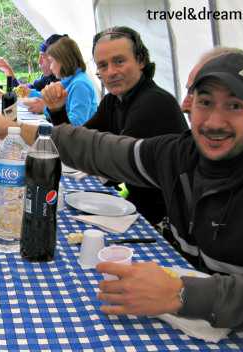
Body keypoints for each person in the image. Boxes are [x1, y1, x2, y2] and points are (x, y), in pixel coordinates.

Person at [0, 52, 243, 332]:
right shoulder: (179, 154)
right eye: (206, 102)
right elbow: (100, 149)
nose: (216, 122)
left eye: (234, 106)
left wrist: (183, 293)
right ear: (189, 104)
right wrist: (14, 128)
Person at [45, 26, 189, 225]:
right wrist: (57, 110)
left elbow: (115, 169)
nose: (111, 72)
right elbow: (79, 142)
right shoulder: (114, 100)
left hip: (166, 219)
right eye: (102, 65)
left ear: (141, 61)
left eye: (119, 61)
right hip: (138, 203)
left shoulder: (153, 103)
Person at [0, 34, 64, 114]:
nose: (38, 61)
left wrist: (45, 109)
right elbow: (22, 92)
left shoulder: (69, 83)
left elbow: (74, 120)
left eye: (43, 57)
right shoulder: (47, 77)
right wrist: (7, 69)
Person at [44, 35, 98, 126]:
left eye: (51, 61)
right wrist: (31, 93)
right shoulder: (68, 82)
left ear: (63, 61)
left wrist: (46, 108)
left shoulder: (80, 85)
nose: (51, 66)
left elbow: (77, 124)